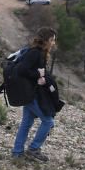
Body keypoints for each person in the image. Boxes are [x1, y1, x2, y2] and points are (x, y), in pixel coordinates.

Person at [11, 27, 58, 162]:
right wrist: (38, 75)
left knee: (26, 123)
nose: (54, 43)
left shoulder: (40, 53)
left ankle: (17, 152)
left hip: (31, 93)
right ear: (46, 40)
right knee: (48, 121)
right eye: (52, 40)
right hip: (31, 94)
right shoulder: (35, 53)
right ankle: (34, 149)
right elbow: (22, 70)